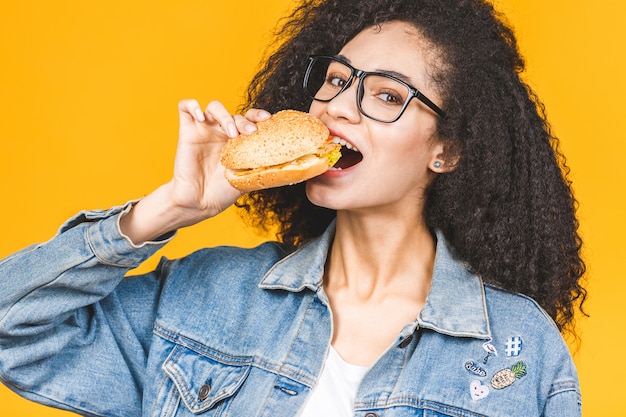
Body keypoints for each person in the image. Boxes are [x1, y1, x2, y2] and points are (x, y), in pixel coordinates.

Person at [0, 0, 587, 416]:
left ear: (447, 150)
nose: (338, 109)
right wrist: (169, 209)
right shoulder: (208, 295)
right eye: (335, 81)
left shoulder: (519, 348)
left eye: (385, 95)